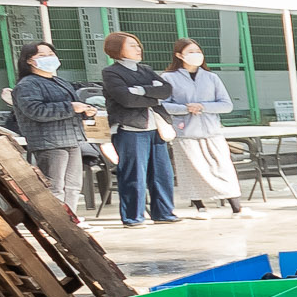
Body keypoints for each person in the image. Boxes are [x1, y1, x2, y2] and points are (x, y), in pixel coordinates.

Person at [99, 32, 178, 227]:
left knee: (162, 172)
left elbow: (166, 90)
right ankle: (133, 216)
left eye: (137, 45)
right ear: (118, 49)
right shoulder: (111, 72)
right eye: (132, 45)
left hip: (155, 127)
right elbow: (125, 99)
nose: (138, 48)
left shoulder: (146, 69)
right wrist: (151, 93)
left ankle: (164, 212)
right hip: (130, 128)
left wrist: (141, 91)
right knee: (134, 173)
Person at [9, 40, 94, 211]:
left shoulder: (59, 81)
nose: (49, 58)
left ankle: (71, 220)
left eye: (51, 54)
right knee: (55, 186)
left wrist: (84, 110)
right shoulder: (27, 84)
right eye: (42, 55)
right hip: (49, 141)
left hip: (71, 138)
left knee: (73, 185)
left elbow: (72, 106)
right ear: (29, 60)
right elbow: (35, 110)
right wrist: (70, 107)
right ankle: (58, 222)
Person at [159, 37, 241, 216]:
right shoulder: (168, 78)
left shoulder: (211, 77)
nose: (196, 55)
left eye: (198, 51)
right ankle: (200, 206)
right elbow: (162, 105)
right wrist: (185, 108)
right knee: (192, 170)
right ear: (179, 55)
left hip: (212, 131)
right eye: (190, 52)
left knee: (223, 167)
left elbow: (226, 104)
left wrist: (203, 106)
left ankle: (236, 206)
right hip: (185, 132)